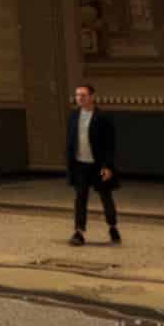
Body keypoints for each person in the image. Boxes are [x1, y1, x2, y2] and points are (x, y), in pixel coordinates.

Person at [63, 82, 120, 246]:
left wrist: (108, 166)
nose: (79, 98)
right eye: (77, 95)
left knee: (105, 197)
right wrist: (70, 164)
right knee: (80, 198)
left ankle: (112, 226)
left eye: (83, 95)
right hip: (80, 165)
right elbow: (70, 141)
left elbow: (110, 144)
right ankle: (79, 231)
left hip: (98, 165)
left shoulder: (102, 118)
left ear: (92, 97)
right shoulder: (73, 116)